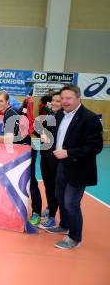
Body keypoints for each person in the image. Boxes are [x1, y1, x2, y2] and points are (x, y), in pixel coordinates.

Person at [45, 85, 103, 249]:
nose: (65, 101)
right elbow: (59, 137)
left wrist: (69, 153)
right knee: (60, 196)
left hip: (79, 167)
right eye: (62, 98)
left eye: (69, 98)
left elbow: (95, 146)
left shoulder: (89, 118)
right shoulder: (60, 115)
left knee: (71, 203)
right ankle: (64, 225)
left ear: (78, 98)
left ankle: (75, 237)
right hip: (60, 164)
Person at [35, 92, 62, 230]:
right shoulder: (50, 115)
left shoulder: (64, 118)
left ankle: (52, 217)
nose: (56, 103)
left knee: (55, 188)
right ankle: (51, 208)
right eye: (54, 101)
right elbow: (36, 129)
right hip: (45, 156)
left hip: (56, 158)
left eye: (59, 100)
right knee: (48, 186)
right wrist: (42, 131)